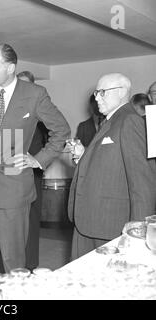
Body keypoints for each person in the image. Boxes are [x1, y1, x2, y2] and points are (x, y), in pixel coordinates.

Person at [0, 44, 70, 286]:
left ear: (11, 68)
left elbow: (61, 130)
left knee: (13, 258)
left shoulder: (35, 93)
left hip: (13, 187)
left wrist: (38, 160)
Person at [67, 73, 156, 260]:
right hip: (91, 219)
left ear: (122, 92)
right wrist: (84, 156)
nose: (96, 97)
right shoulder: (112, 121)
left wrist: (138, 229)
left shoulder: (129, 121)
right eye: (96, 93)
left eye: (102, 92)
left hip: (109, 223)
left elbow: (143, 182)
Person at [17, 71, 49, 270]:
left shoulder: (40, 115)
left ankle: (29, 265)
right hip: (9, 177)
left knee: (30, 222)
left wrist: (36, 160)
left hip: (32, 177)